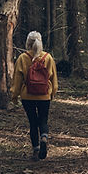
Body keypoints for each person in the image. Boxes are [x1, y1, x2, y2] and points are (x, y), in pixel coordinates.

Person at [11, 31, 58, 161]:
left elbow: (17, 80)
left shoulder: (22, 58)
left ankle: (36, 150)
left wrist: (14, 95)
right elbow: (53, 80)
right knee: (43, 120)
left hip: (27, 96)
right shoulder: (48, 58)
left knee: (33, 122)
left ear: (28, 43)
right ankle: (44, 137)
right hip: (44, 95)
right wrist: (52, 93)